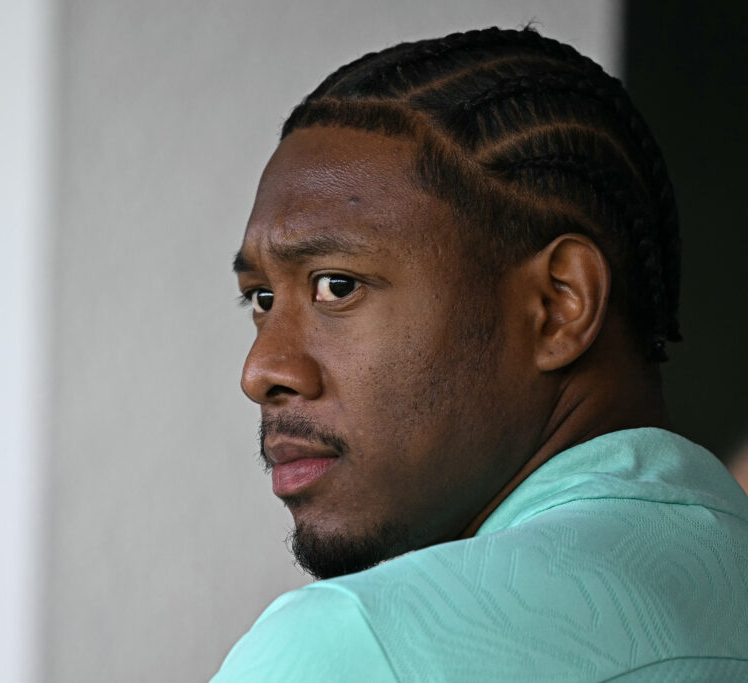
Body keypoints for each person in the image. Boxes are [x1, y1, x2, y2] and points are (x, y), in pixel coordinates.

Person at [215, 27, 748, 681]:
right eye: (262, 297)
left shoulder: (357, 642)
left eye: (337, 286)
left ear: (556, 305)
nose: (262, 370)